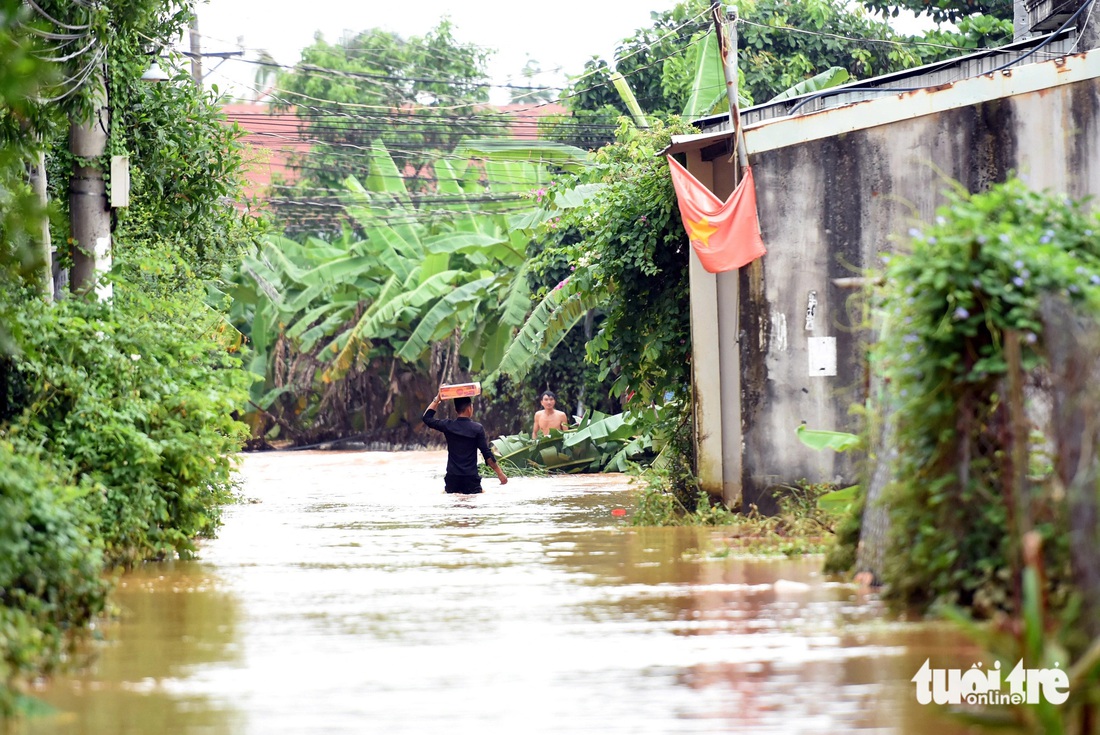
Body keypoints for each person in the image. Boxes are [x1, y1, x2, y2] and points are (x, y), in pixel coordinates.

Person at [423, 390, 507, 494]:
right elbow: (486, 454)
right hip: (470, 478)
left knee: (453, 501)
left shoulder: (448, 426)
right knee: (475, 501)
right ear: (469, 408)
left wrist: (437, 399)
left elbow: (427, 418)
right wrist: (500, 473)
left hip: (452, 478)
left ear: (455, 409)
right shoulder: (477, 429)